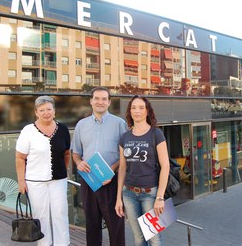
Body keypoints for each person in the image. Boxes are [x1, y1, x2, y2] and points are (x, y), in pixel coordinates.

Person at [71, 87, 127, 246]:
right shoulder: (81, 125)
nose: (100, 102)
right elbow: (76, 153)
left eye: (104, 99)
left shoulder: (119, 124)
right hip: (89, 181)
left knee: (115, 225)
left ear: (109, 102)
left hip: (111, 181)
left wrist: (113, 168)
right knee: (92, 224)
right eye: (96, 98)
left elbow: (125, 156)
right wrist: (78, 163)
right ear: (91, 101)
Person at [15, 95, 70, 246]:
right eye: (42, 110)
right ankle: (44, 244)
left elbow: (66, 153)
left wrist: (63, 172)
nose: (46, 112)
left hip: (58, 180)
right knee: (41, 216)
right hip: (35, 182)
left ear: (54, 111)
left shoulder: (63, 129)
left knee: (60, 213)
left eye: (49, 109)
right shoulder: (28, 131)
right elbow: (20, 158)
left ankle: (63, 244)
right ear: (36, 112)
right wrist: (21, 181)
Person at [115, 95, 170, 246]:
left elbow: (165, 166)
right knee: (138, 238)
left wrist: (160, 197)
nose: (136, 111)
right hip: (129, 194)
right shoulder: (124, 137)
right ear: (129, 111)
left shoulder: (156, 134)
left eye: (141, 107)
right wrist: (118, 197)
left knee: (154, 238)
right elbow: (122, 169)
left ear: (147, 111)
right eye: (133, 107)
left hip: (150, 195)